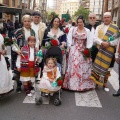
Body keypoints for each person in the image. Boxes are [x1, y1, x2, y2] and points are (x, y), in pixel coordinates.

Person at [63, 15, 95, 91]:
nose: (79, 23)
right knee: (74, 66)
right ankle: (72, 85)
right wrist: (70, 47)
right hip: (74, 49)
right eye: (78, 22)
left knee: (82, 66)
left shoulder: (87, 30)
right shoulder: (73, 29)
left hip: (83, 50)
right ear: (77, 23)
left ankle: (81, 85)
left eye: (81, 22)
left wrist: (87, 49)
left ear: (83, 22)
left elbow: (90, 40)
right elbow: (69, 38)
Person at [90, 12, 119, 92]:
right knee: (97, 67)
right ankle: (96, 83)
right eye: (105, 17)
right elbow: (95, 38)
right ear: (103, 18)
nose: (106, 19)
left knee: (108, 68)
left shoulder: (115, 28)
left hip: (110, 51)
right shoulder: (99, 27)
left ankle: (105, 83)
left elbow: (116, 40)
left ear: (111, 18)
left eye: (108, 17)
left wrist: (109, 43)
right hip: (100, 49)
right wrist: (102, 43)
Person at [12, 14, 35, 93]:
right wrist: (17, 50)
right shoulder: (18, 32)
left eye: (28, 21)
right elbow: (14, 43)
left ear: (30, 22)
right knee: (19, 69)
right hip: (20, 53)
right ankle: (18, 85)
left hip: (30, 53)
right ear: (23, 22)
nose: (27, 23)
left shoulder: (33, 32)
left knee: (29, 69)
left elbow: (35, 42)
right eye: (25, 21)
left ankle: (29, 84)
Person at [31, 11, 46, 79]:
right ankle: (33, 75)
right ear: (32, 17)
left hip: (40, 46)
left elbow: (45, 35)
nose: (36, 19)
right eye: (35, 17)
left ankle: (40, 77)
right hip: (31, 46)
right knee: (32, 61)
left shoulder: (43, 25)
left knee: (40, 61)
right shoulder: (30, 24)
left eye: (38, 17)